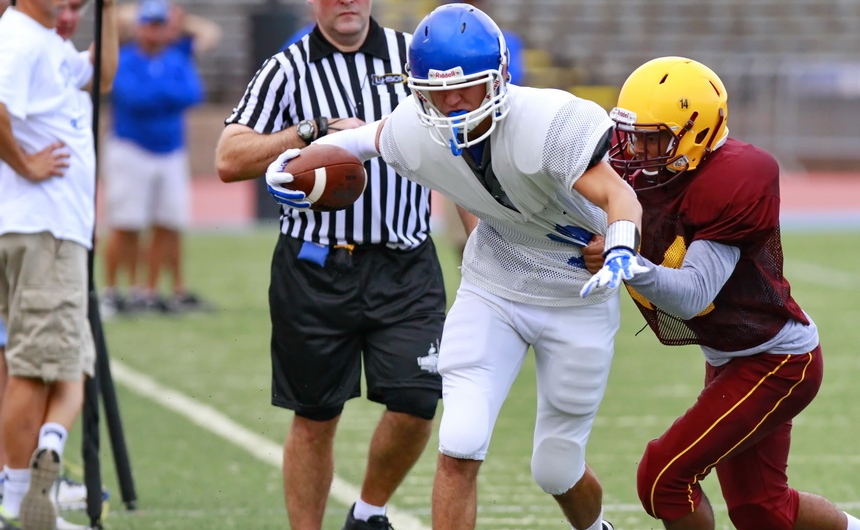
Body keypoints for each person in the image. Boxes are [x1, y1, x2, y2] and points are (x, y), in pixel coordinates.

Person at [264, 4, 646, 530]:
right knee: (459, 442)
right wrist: (289, 163)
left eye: (468, 86)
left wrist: (623, 246)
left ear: (501, 79)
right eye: (437, 89)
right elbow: (357, 141)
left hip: (574, 296)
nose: (452, 101)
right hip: (495, 286)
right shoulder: (416, 129)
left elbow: (618, 194)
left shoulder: (547, 121)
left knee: (556, 468)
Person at [581, 55, 860, 530]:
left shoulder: (735, 177)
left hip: (777, 360)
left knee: (663, 478)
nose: (635, 149)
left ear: (696, 131)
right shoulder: (646, 169)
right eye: (631, 133)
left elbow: (691, 294)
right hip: (733, 354)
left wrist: (625, 260)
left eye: (653, 137)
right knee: (762, 512)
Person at [215, 1, 452, 529]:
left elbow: (452, 143)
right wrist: (312, 131)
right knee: (316, 415)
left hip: (405, 260)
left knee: (418, 400)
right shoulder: (288, 67)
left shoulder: (411, 56)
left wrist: (481, 239)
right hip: (315, 267)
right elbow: (229, 158)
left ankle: (367, 513)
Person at [0, 0, 117, 524]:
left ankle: (34, 485)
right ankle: (18, 497)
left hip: (55, 230)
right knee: (34, 368)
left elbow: (103, 76)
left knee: (63, 363)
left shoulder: (46, 39)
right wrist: (25, 162)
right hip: (43, 229)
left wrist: (109, 11)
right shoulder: (19, 36)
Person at [100, 0, 218, 316]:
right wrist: (164, 94)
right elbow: (132, 97)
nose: (154, 31)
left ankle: (147, 291)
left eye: (159, 24)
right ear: (138, 27)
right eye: (149, 24)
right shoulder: (125, 58)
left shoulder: (177, 58)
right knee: (125, 224)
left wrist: (157, 93)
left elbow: (192, 93)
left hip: (170, 151)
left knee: (166, 223)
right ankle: (112, 290)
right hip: (131, 148)